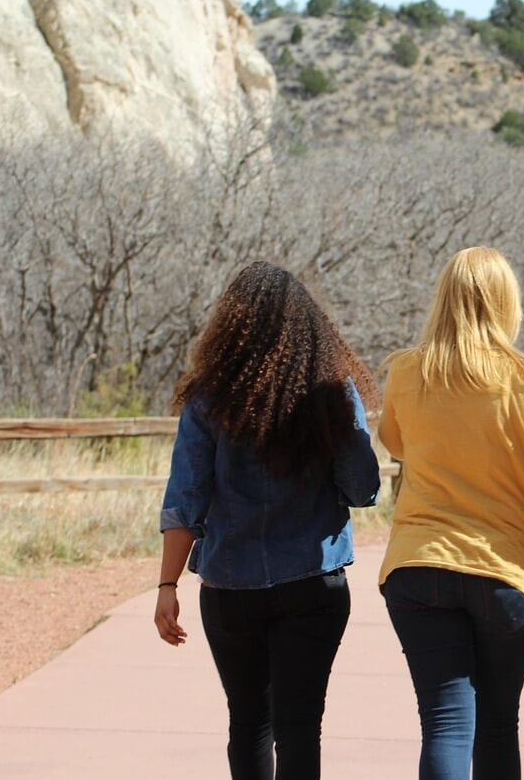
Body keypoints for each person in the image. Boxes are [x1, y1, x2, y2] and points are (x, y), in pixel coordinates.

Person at [153, 261, 381, 780]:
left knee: (248, 722)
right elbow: (362, 488)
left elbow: (185, 497)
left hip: (230, 587)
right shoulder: (332, 391)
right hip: (313, 583)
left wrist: (167, 584)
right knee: (300, 726)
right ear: (310, 326)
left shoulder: (208, 398)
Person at [377, 246, 524, 780]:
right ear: (505, 302)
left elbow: (395, 443)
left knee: (445, 724)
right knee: (497, 722)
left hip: (417, 567)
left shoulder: (406, 371)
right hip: (505, 575)